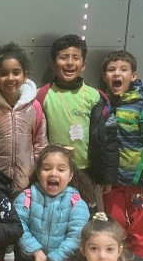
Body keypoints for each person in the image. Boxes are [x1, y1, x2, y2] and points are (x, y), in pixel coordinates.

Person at [89, 51, 143, 259]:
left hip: (140, 185)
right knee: (115, 230)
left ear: (133, 76)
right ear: (105, 76)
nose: (117, 74)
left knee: (139, 232)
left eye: (123, 70)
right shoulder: (102, 107)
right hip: (113, 184)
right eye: (111, 70)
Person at [14, 144, 90, 261]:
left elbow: (76, 237)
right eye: (47, 168)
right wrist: (36, 251)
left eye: (61, 169)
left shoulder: (77, 203)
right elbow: (18, 225)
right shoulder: (27, 197)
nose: (53, 173)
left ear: (70, 175)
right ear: (38, 172)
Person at [36, 34, 102, 208]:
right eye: (64, 57)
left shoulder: (94, 96)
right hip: (53, 170)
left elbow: (102, 137)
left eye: (76, 58)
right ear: (52, 63)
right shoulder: (42, 95)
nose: (70, 63)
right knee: (53, 211)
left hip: (85, 169)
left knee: (84, 213)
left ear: (84, 65)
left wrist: (104, 174)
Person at [0, 43, 47, 196]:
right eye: (4, 73)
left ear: (25, 75)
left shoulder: (34, 107)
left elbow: (40, 145)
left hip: (26, 183)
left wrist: (39, 176)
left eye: (16, 72)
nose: (10, 78)